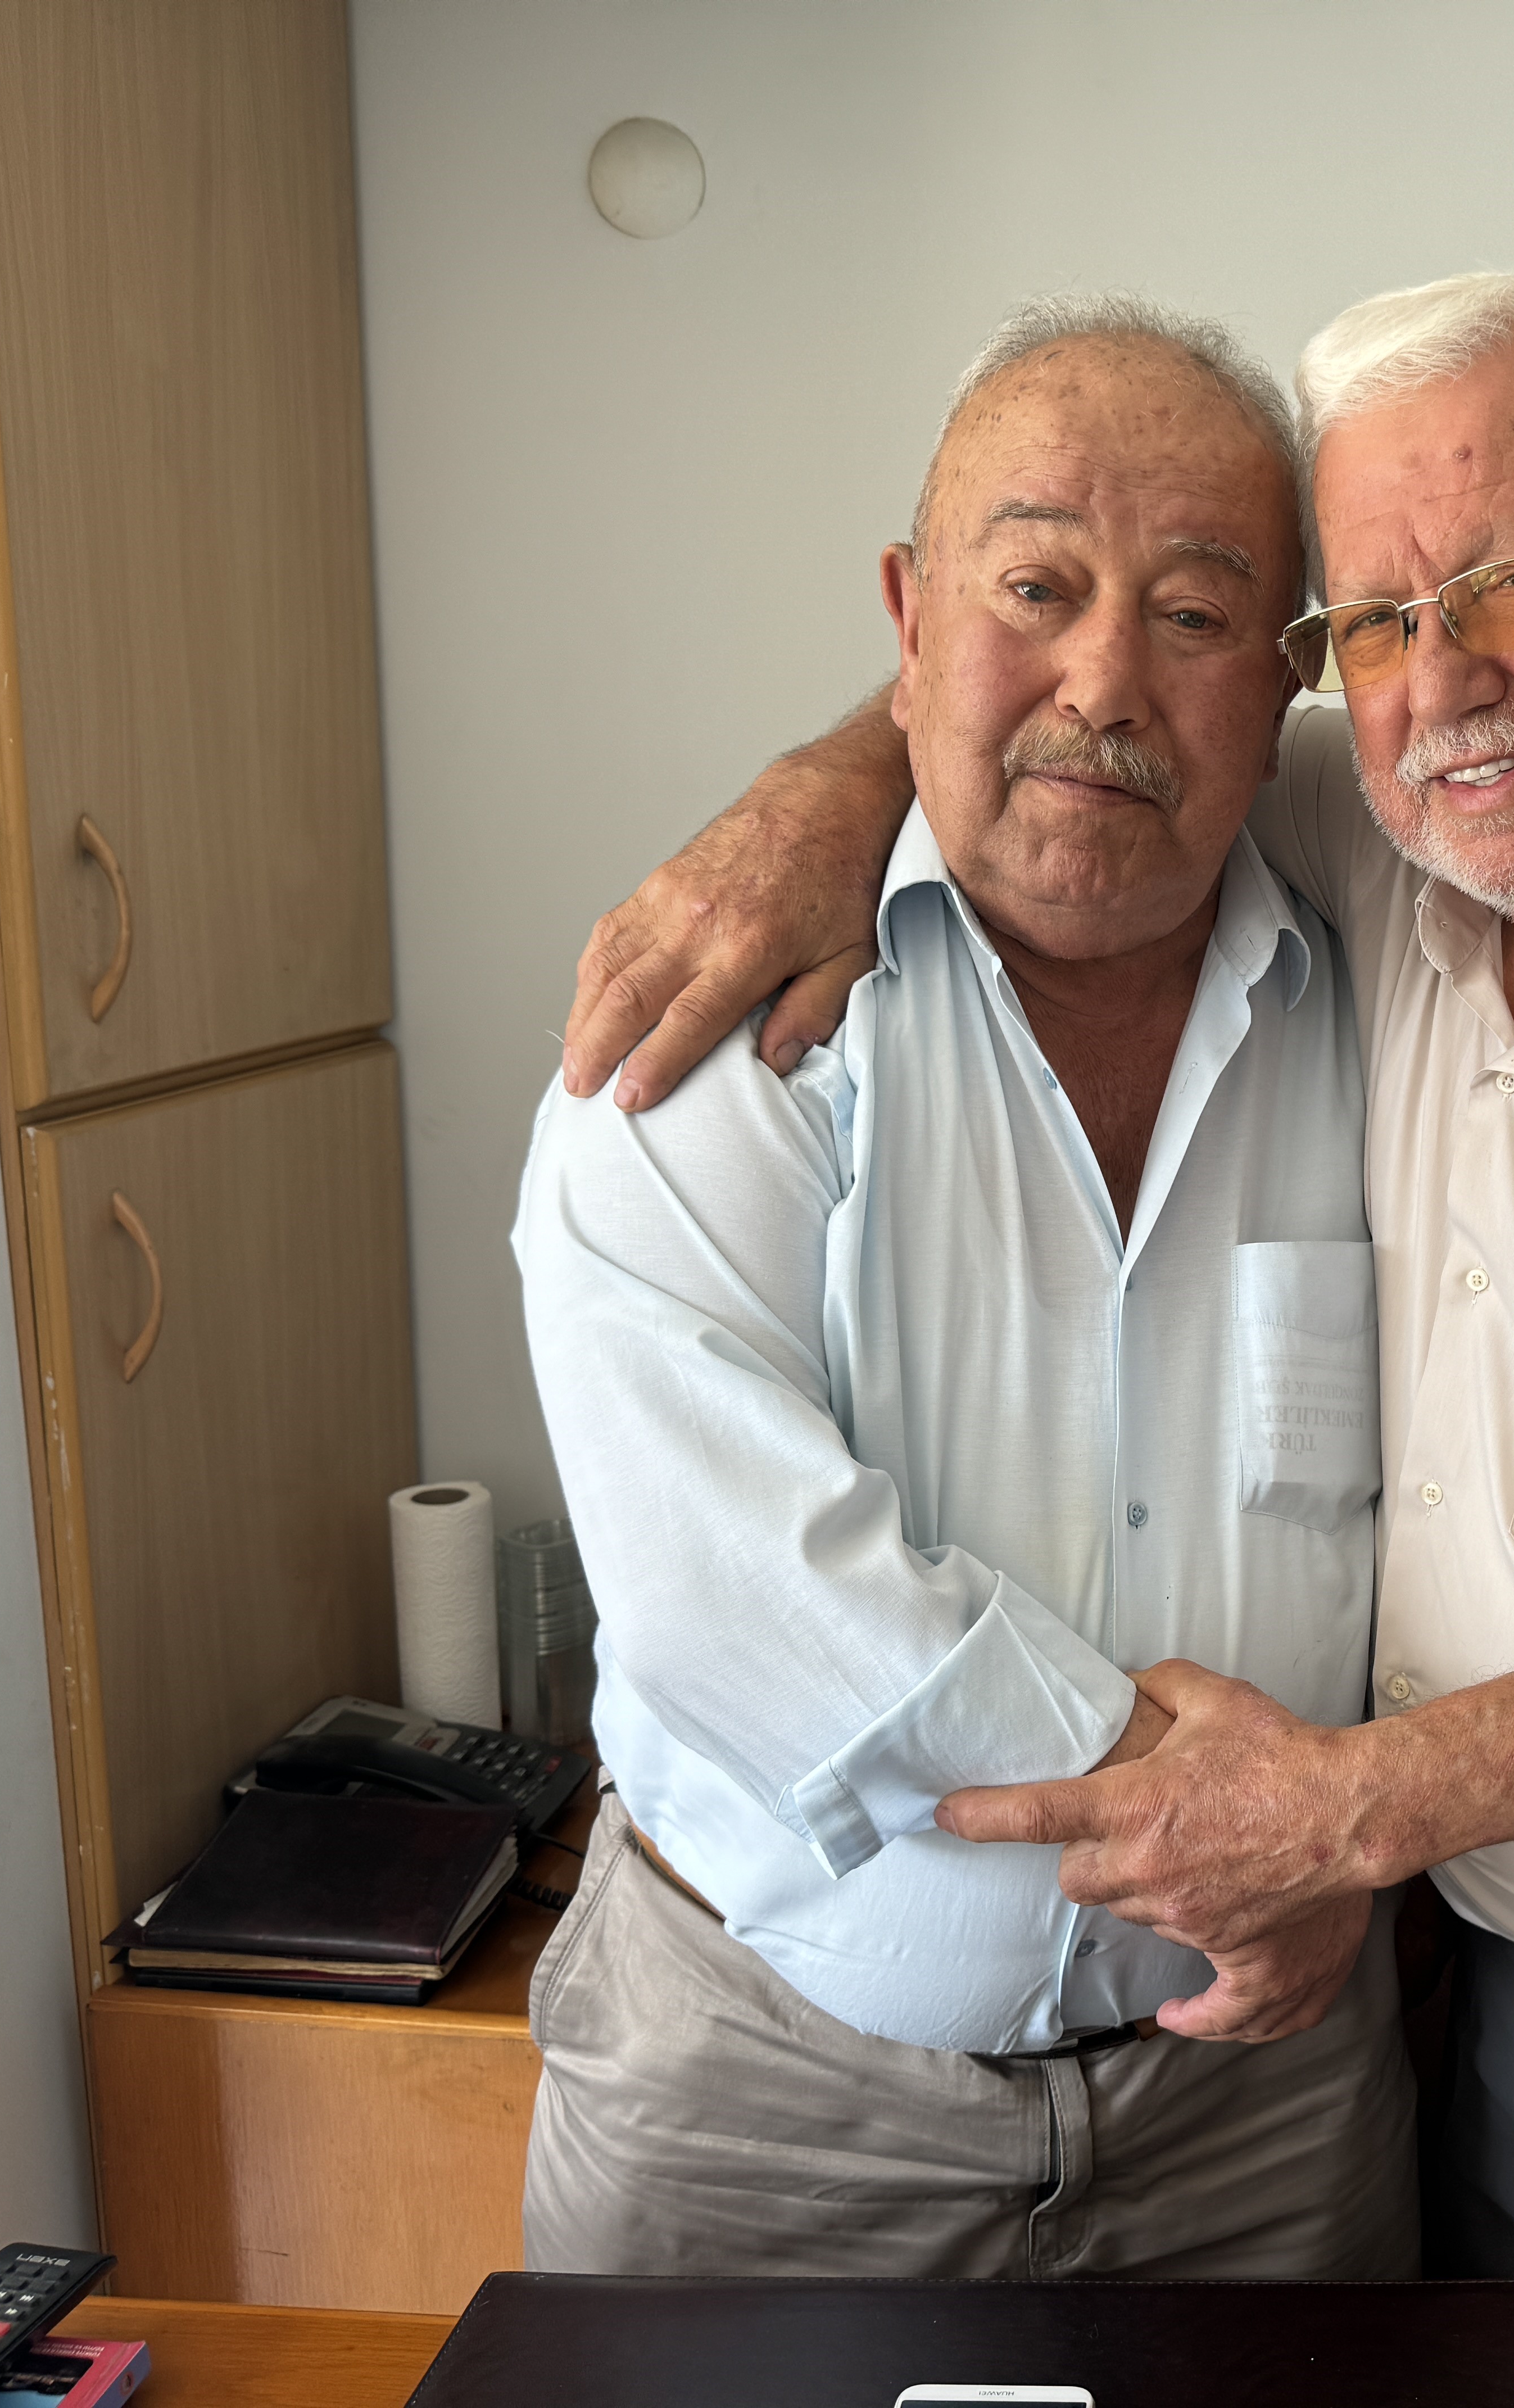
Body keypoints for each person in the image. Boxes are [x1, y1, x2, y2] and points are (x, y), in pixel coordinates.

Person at [562, 269, 1514, 2395]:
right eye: (1379, 620)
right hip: (1425, 2023)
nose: (1441, 682)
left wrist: (1337, 1815)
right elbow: (1069, 719)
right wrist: (822, 785)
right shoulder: (1381, 849)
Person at [507, 293, 1416, 2284]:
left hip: (1261, 2120)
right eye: (1034, 587)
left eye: (1195, 613)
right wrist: (1231, 1825)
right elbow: (731, 1583)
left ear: (1283, 681)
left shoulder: (1395, 980)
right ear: (908, 615)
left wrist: (1336, 1836)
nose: (1105, 679)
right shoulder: (716, 1020)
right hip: (759, 2106)